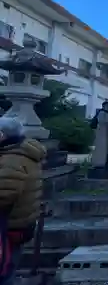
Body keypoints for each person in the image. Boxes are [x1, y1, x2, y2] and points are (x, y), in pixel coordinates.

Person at [0, 118, 45, 285]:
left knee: (5, 269)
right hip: (18, 224)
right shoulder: (21, 154)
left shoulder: (13, 159)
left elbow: (4, 193)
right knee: (8, 266)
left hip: (8, 225)